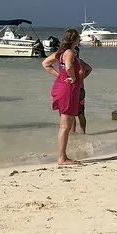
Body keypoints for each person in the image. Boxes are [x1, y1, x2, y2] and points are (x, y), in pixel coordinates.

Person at [43, 29, 83, 165]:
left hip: (61, 88)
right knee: (65, 126)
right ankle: (62, 158)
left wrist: (59, 75)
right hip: (68, 90)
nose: (80, 39)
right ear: (74, 39)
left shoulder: (60, 53)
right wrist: (72, 77)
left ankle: (63, 156)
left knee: (65, 125)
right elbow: (68, 67)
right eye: (78, 37)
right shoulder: (69, 52)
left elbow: (45, 63)